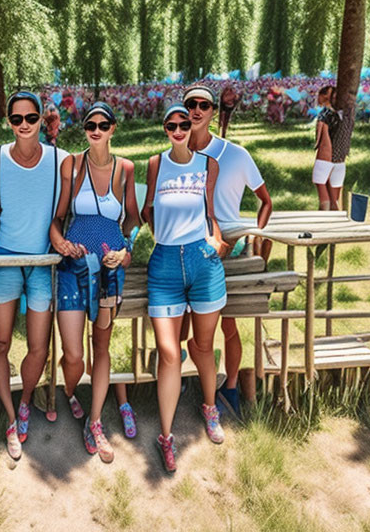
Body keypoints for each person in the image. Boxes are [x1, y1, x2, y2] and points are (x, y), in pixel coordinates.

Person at [49, 102, 141, 463]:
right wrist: (59, 243)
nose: (97, 129)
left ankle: (96, 421)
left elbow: (132, 219)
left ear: (113, 129)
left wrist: (126, 251)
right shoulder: (72, 165)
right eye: (91, 124)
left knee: (100, 346)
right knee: (74, 354)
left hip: (110, 272)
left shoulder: (126, 169)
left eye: (104, 124)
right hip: (74, 267)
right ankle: (71, 389)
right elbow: (58, 218)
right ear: (85, 128)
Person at [0, 90, 67, 460]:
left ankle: (27, 400)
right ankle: (10, 416)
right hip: (1, 259)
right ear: (9, 122)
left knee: (38, 347)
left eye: (30, 118)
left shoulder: (61, 161)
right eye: (16, 120)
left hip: (43, 262)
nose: (24, 126)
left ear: (41, 119)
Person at [142, 103, 229, 474]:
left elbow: (210, 211)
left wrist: (217, 241)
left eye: (183, 123)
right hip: (163, 265)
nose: (178, 129)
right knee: (169, 352)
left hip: (202, 261)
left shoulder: (208, 164)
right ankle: (166, 435)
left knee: (205, 345)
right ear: (165, 128)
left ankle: (210, 408)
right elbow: (147, 209)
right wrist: (160, 233)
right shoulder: (155, 164)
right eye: (171, 124)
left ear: (191, 127)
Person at [184, 84, 273, 416]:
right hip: (188, 248)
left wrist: (252, 235)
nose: (196, 109)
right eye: (190, 104)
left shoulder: (237, 155)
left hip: (229, 250)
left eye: (203, 104)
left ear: (212, 110)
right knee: (184, 325)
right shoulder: (177, 153)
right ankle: (188, 378)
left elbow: (265, 202)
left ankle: (231, 386)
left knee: (229, 324)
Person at [312, 85, 343, 210]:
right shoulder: (340, 114)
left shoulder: (324, 114)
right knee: (334, 200)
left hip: (325, 156)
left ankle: (322, 220)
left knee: (321, 188)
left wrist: (316, 143)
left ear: (325, 96)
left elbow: (319, 134)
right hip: (339, 160)